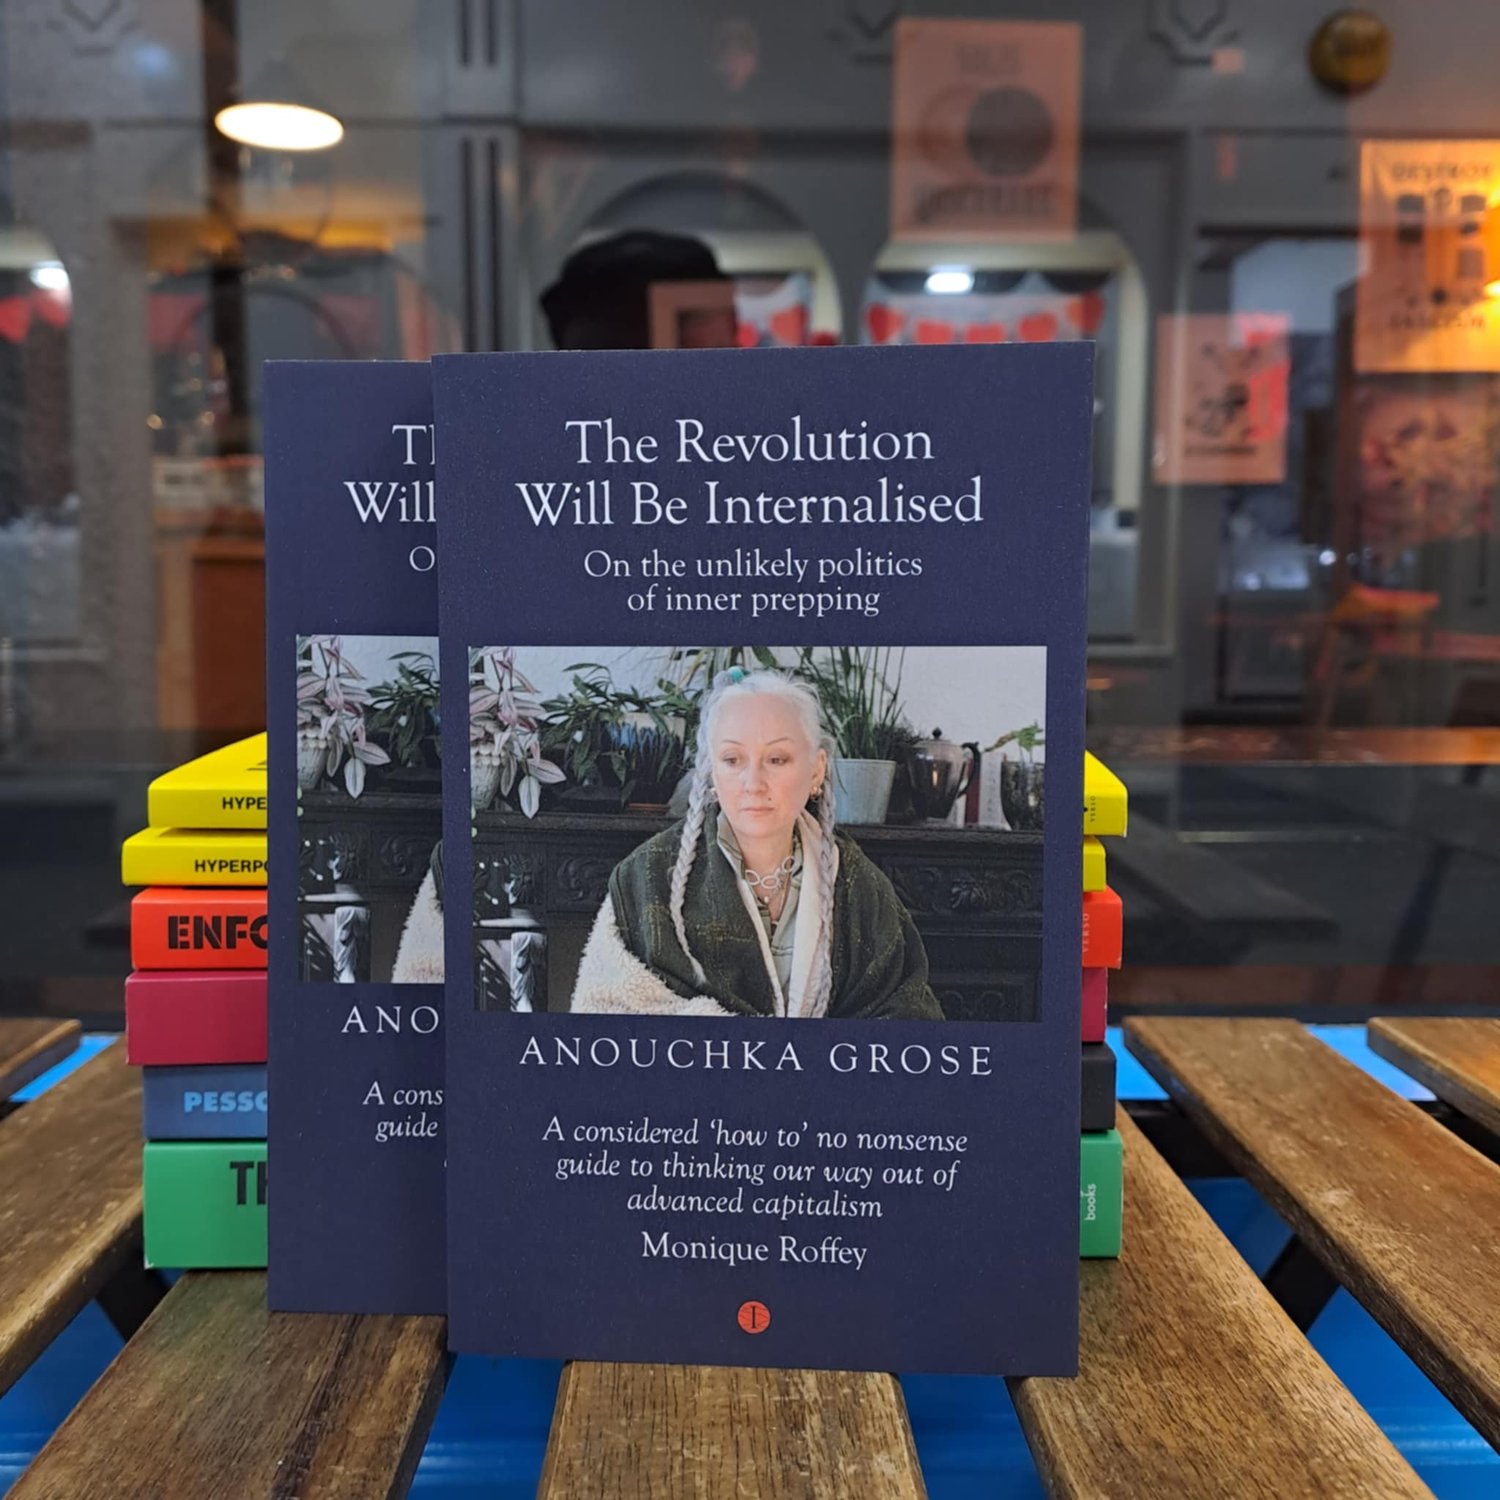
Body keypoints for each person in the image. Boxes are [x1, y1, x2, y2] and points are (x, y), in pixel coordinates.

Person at [571, 669, 942, 1019]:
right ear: (711, 772)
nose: (753, 782)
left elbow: (907, 1020)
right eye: (732, 759)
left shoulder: (861, 887)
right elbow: (607, 1016)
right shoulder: (647, 878)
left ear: (816, 770)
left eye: (777, 759)